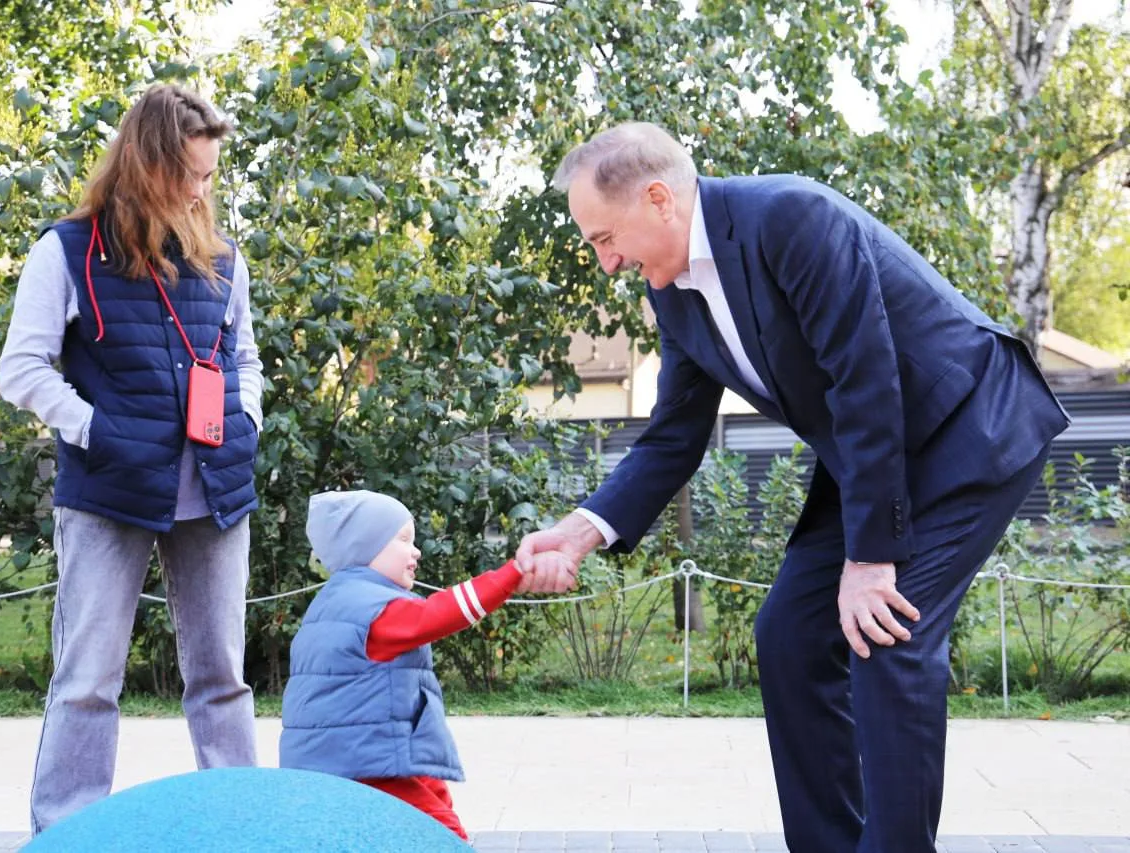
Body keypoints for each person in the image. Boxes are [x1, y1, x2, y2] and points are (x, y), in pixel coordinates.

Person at [514, 122, 1069, 852]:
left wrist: (870, 561)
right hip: (875, 455)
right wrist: (581, 529)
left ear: (658, 199)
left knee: (885, 633)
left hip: (968, 425)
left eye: (602, 239)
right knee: (790, 635)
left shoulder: (790, 218)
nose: (608, 261)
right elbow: (674, 434)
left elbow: (865, 379)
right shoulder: (675, 294)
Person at [0, 84, 262, 834]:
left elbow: (245, 357)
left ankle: (239, 824)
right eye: (190, 174)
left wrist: (244, 419)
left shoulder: (223, 259)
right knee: (86, 680)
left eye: (211, 175)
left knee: (222, 680)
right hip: (108, 494)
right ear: (147, 163)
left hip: (214, 493)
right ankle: (68, 831)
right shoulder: (67, 251)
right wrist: (96, 431)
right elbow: (21, 369)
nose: (201, 190)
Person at [279, 490, 568, 839]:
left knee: (431, 803)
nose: (415, 551)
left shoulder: (336, 603)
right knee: (441, 834)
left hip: (353, 756)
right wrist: (510, 577)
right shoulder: (371, 610)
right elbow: (438, 614)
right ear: (365, 548)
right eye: (403, 540)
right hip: (360, 766)